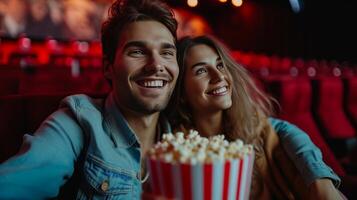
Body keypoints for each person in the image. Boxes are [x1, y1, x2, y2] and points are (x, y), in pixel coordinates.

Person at [0, 0, 340, 199]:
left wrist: (319, 181)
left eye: (166, 52)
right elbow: (17, 183)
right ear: (108, 67)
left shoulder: (186, 133)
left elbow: (274, 127)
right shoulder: (79, 122)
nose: (156, 65)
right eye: (137, 51)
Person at [166, 35, 344, 199]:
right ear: (181, 92)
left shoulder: (261, 131)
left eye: (220, 65)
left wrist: (319, 176)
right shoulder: (173, 153)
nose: (219, 76)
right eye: (201, 71)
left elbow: (287, 132)